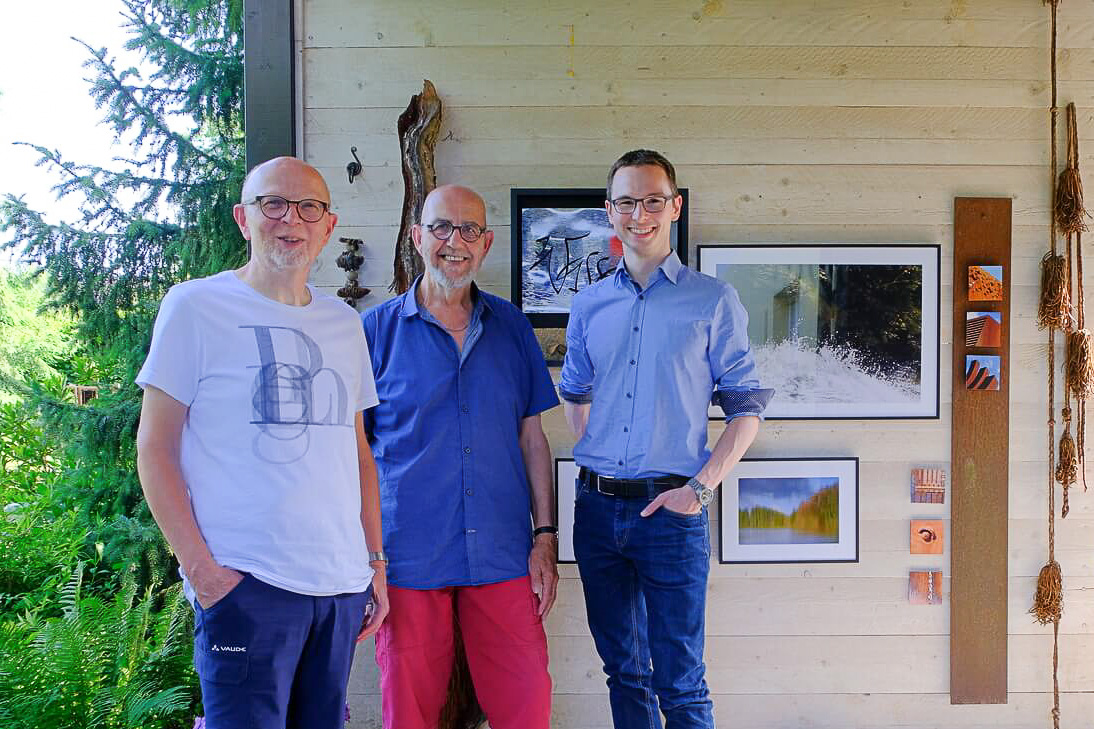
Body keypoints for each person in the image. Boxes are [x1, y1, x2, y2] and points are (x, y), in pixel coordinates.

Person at [135, 156, 388, 729]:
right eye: (272, 203)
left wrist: (375, 564)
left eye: (308, 207)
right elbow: (154, 449)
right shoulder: (195, 307)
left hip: (340, 588)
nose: (289, 219)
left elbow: (357, 458)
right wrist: (201, 572)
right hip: (245, 586)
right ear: (243, 219)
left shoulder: (343, 323)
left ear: (328, 225)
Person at [559, 149, 773, 729]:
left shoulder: (712, 300)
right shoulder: (589, 303)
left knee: (680, 680)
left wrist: (698, 490)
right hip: (597, 512)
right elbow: (575, 394)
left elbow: (746, 409)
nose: (640, 213)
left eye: (653, 200)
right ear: (610, 212)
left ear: (674, 207)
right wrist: (602, 457)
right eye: (627, 201)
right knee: (623, 672)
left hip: (673, 513)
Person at [361, 184, 559, 729]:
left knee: (527, 704)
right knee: (409, 712)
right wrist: (369, 557)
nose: (456, 241)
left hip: (501, 551)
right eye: (442, 227)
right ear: (417, 236)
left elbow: (533, 440)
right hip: (406, 556)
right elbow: (355, 455)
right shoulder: (374, 332)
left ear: (487, 242)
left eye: (470, 229)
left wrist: (545, 538)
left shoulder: (512, 327)